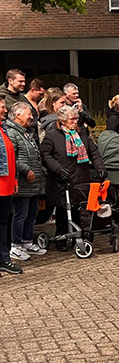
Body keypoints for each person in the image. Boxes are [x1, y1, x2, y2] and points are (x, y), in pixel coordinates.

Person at [40, 105, 106, 242]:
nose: (76, 122)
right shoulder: (52, 135)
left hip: (81, 176)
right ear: (63, 120)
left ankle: (81, 234)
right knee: (63, 209)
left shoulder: (81, 134)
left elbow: (93, 152)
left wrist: (100, 167)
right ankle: (62, 238)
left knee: (81, 208)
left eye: (77, 119)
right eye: (72, 119)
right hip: (62, 179)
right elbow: (45, 155)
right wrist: (57, 168)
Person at [5, 102, 46, 260]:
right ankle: (16, 245)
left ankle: (27, 241)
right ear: (17, 115)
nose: (31, 117)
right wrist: (25, 169)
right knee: (20, 214)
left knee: (32, 214)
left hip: (33, 184)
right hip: (22, 183)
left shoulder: (25, 132)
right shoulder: (12, 133)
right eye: (28, 113)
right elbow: (12, 157)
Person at [0, 95, 22, 274]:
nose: (5, 110)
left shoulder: (4, 128)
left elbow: (10, 157)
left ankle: (3, 258)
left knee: (3, 223)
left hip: (6, 185)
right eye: (1, 107)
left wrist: (14, 180)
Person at [24, 78, 46, 144]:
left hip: (39, 137)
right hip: (29, 137)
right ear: (33, 90)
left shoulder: (39, 102)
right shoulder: (23, 102)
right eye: (40, 94)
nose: (42, 96)